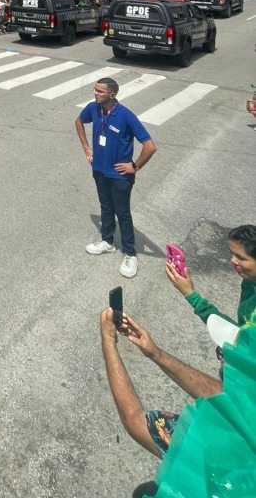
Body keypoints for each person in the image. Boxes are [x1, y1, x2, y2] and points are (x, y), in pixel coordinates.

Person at [99, 305, 229, 465]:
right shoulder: (248, 407)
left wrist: (108, 342)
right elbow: (223, 396)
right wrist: (156, 353)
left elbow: (135, 420)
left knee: (145, 491)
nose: (222, 356)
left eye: (226, 353)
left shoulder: (218, 445)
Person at [76, 77, 156, 278]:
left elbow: (150, 146)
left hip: (120, 176)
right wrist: (87, 148)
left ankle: (130, 253)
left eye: (100, 92)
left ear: (112, 95)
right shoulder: (93, 108)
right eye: (95, 90)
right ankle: (107, 241)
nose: (96, 94)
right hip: (99, 170)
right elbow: (78, 121)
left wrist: (135, 166)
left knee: (122, 213)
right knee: (105, 206)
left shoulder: (126, 116)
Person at [166, 224, 256, 329]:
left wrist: (191, 295)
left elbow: (237, 336)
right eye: (232, 254)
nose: (232, 260)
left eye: (241, 258)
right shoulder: (249, 280)